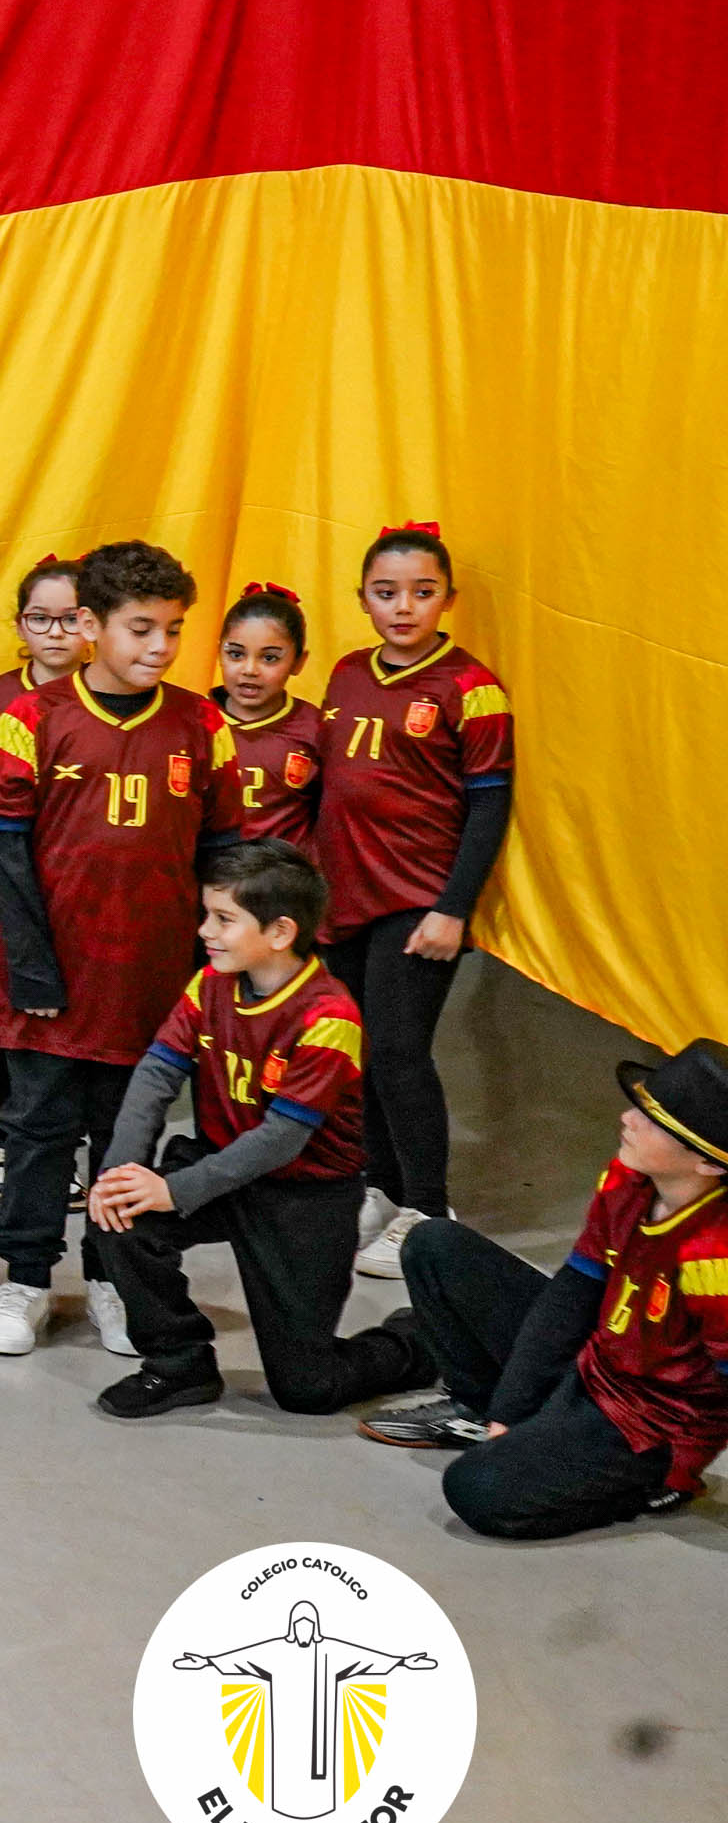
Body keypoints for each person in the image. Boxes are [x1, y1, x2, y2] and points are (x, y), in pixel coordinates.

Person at [0, 539, 240, 1357]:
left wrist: (213, 964)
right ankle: (24, 1280)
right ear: (90, 626)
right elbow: (2, 856)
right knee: (40, 1130)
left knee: (125, 1142)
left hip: (151, 981)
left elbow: (223, 852)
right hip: (51, 981)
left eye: (174, 630)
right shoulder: (29, 719)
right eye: (142, 629)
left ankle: (111, 1278)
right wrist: (32, 964)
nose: (161, 647)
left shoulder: (202, 723)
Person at [81, 841, 430, 1420]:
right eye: (207, 915)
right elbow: (155, 1075)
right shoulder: (210, 985)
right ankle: (179, 1364)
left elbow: (281, 1139)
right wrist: (120, 1171)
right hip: (223, 1168)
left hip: (305, 1200)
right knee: (119, 1217)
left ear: (280, 932)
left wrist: (176, 1189)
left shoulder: (329, 1017)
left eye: (223, 919)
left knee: (307, 1389)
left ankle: (418, 1339)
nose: (205, 931)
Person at [366, 1043, 728, 1539]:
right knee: (433, 1244)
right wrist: (507, 1410)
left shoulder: (717, 1257)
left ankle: (646, 1487)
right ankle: (477, 1408)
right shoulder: (628, 1178)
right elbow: (572, 1296)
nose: (627, 1118)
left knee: (476, 1491)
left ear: (708, 1163)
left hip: (645, 1422)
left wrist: (681, 1464)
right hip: (596, 1363)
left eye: (653, 1120)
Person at [312, 526, 513, 1277]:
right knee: (358, 1056)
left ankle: (429, 1210)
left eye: (422, 593)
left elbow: (491, 805)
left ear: (447, 600)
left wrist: (452, 908)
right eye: (386, 592)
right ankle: (381, 1188)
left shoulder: (471, 688)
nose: (404, 607)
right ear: (362, 598)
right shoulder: (344, 672)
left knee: (399, 1053)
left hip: (417, 900)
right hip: (344, 897)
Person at [0, 558, 85, 1199]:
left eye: (68, 618)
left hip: (80, 876)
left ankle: (67, 1140)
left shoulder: (106, 696)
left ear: (92, 624)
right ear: (20, 625)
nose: (54, 632)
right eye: (40, 618)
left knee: (71, 1007)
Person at [214, 580, 323, 847]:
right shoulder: (196, 723)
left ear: (299, 662)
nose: (250, 670)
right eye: (236, 654)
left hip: (284, 884)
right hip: (209, 882)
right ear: (219, 652)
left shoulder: (316, 729)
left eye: (270, 658)